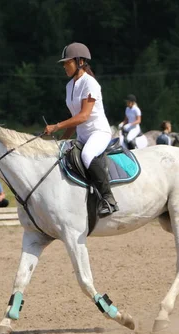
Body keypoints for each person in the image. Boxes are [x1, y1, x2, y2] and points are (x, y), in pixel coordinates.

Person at [44, 42, 118, 216]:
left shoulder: (90, 83)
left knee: (87, 155)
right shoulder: (70, 86)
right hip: (83, 136)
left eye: (67, 62)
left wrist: (56, 126)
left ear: (80, 61)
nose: (64, 66)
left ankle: (108, 198)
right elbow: (74, 119)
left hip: (98, 132)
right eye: (63, 63)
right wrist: (63, 139)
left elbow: (84, 116)